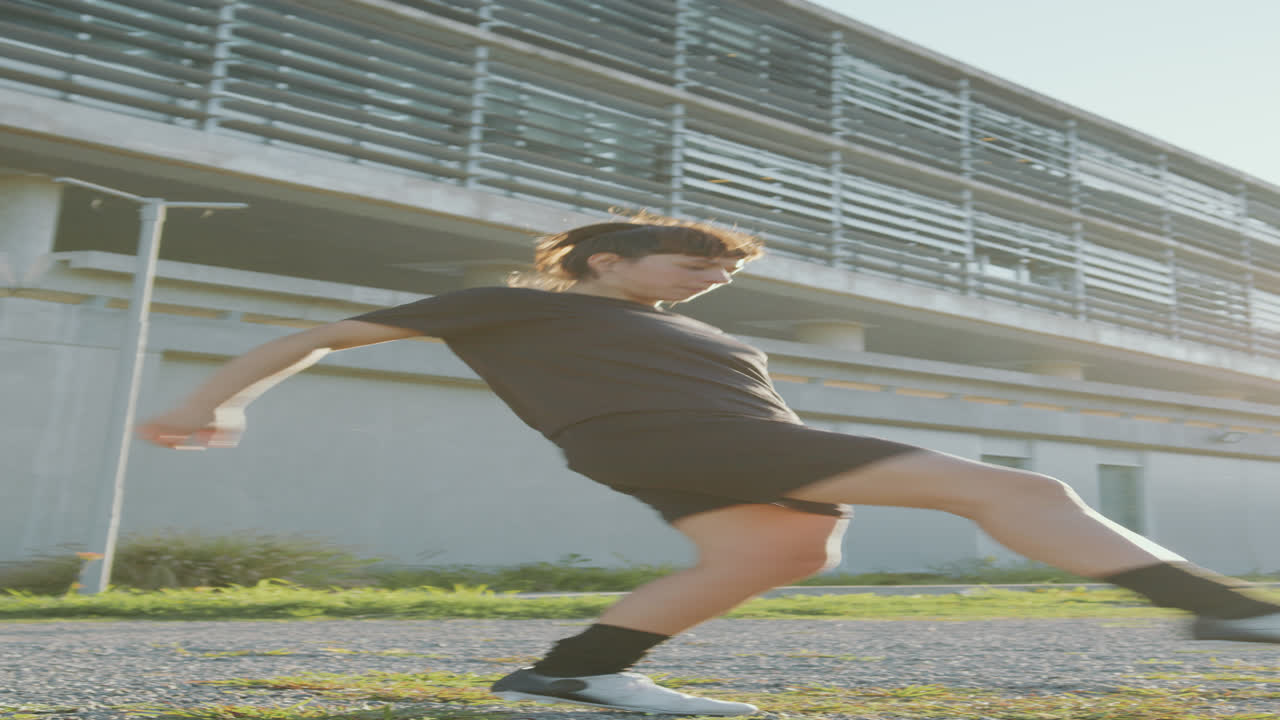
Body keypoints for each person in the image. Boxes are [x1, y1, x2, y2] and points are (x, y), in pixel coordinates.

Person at [139, 215, 1280, 716]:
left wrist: (792, 454)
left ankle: (575, 672)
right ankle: (1208, 610)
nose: (704, 280)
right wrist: (207, 400)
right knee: (1015, 488)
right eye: (688, 263)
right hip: (660, 439)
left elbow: (744, 389)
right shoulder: (508, 305)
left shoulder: (696, 331)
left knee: (781, 546)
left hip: (694, 438)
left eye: (716, 274)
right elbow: (318, 335)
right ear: (606, 259)